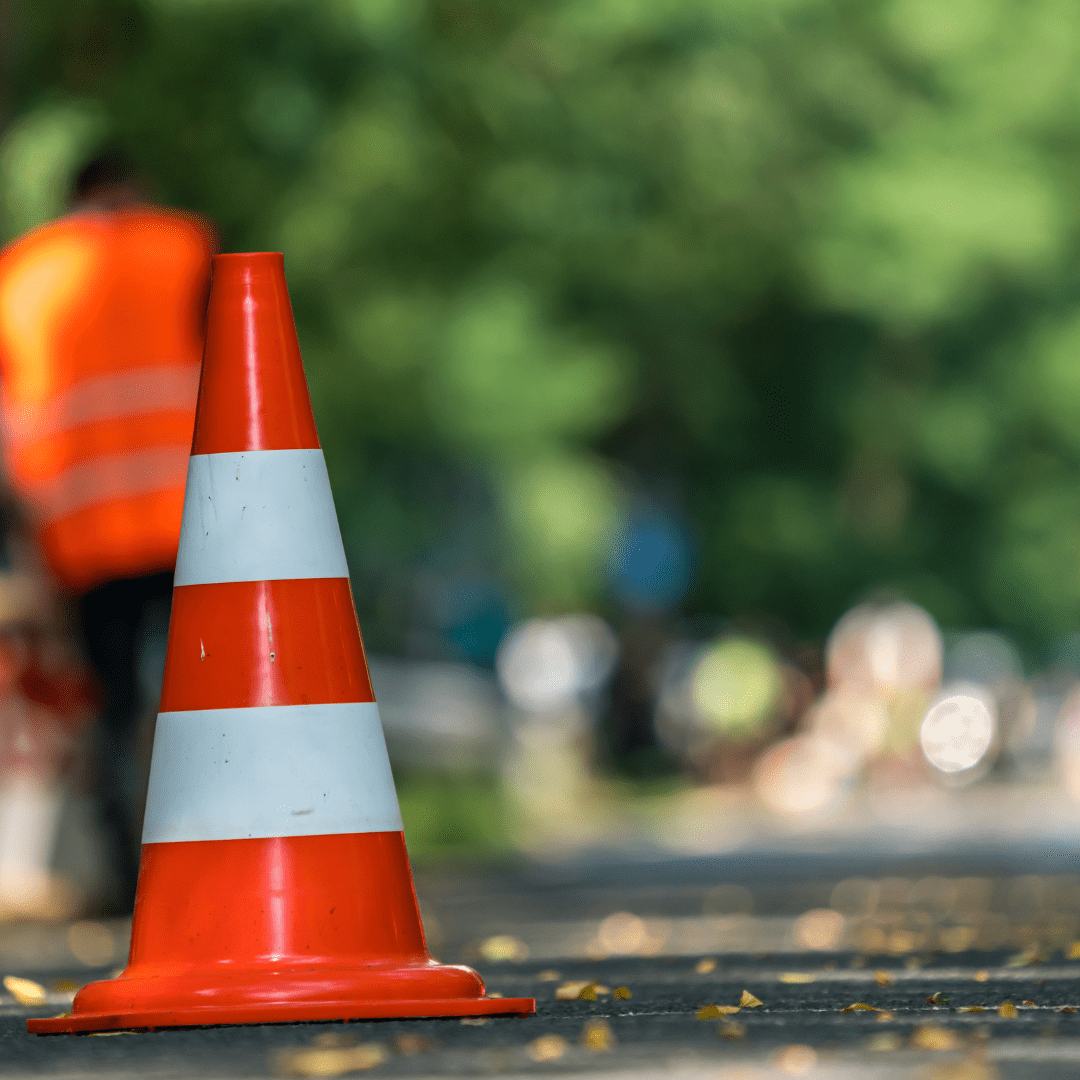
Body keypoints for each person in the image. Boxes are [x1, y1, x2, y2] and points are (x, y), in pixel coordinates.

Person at [0, 150, 215, 908]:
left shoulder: (21, 275)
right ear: (134, 188)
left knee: (111, 702)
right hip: (194, 515)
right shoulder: (185, 247)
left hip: (79, 531)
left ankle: (132, 880)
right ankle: (219, 860)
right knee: (206, 690)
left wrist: (25, 544)